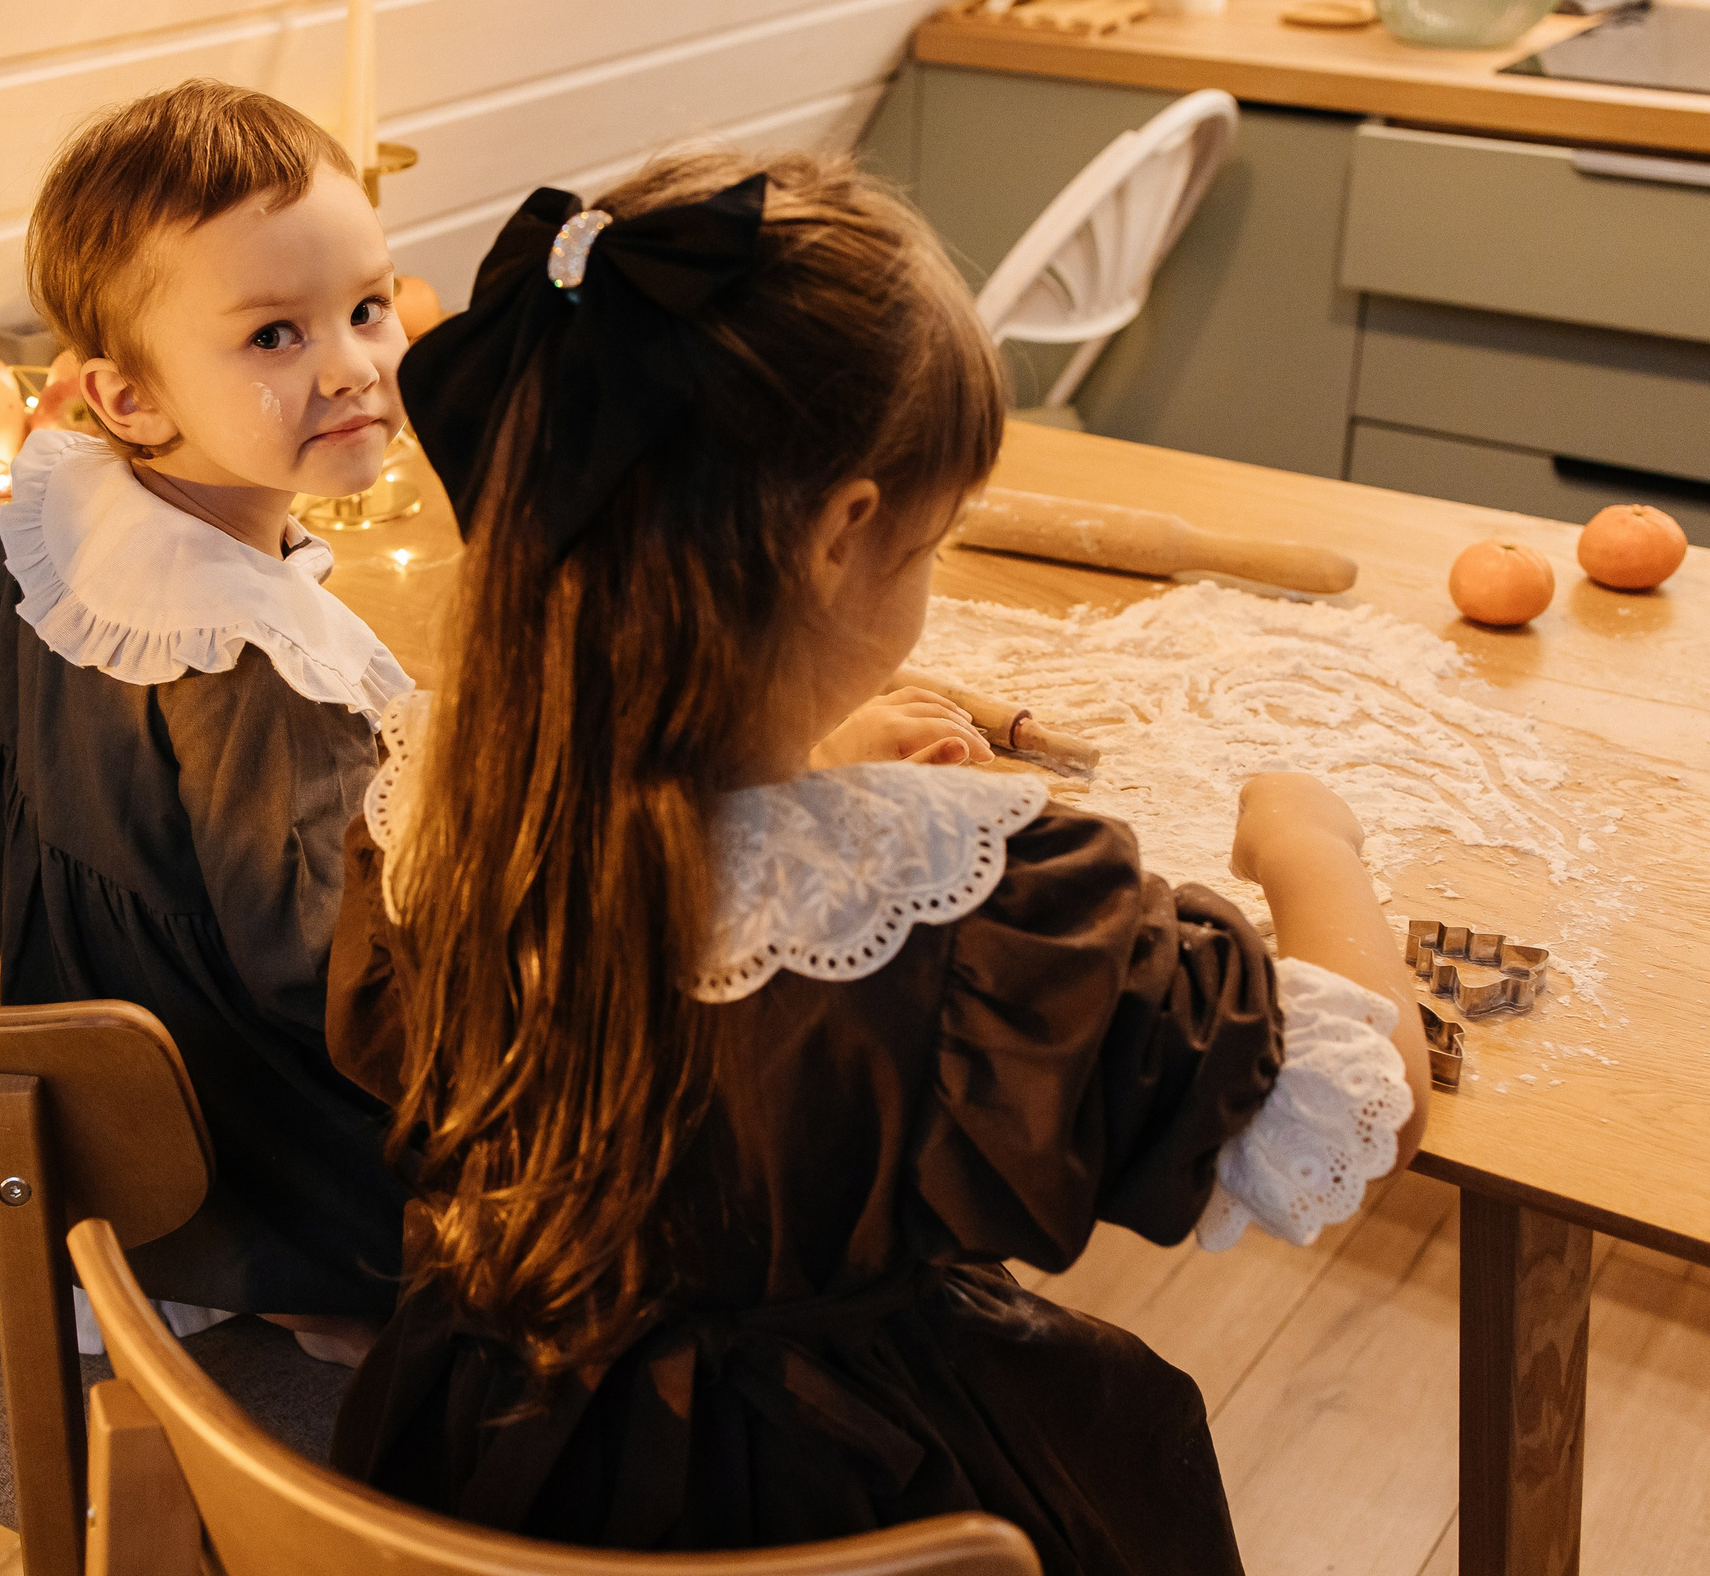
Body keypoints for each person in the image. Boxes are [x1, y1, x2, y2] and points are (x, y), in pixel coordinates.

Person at [322, 150, 1430, 1570]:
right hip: (853, 1511)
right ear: (844, 536)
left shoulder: (432, 822)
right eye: (935, 537)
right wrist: (1310, 840)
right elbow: (1365, 1104)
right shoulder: (989, 911)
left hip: (487, 1477)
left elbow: (685, 882)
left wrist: (815, 774)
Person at [0, 81, 417, 1361]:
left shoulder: (57, 534)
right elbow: (340, 989)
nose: (353, 365)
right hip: (249, 1180)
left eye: (366, 307)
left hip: (90, 1142)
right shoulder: (260, 671)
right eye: (274, 335)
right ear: (126, 400)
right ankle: (331, 1342)